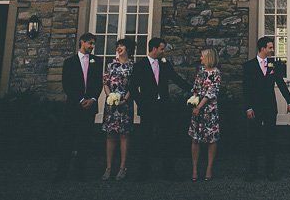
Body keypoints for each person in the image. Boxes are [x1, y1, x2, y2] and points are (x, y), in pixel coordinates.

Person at [130, 37, 192, 181]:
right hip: (148, 107)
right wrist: (141, 103)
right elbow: (133, 88)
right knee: (145, 139)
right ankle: (143, 173)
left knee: (167, 139)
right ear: (154, 49)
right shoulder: (140, 66)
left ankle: (169, 172)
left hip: (164, 106)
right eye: (162, 49)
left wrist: (193, 89)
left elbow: (176, 79)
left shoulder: (165, 64)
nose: (164, 52)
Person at [243, 35, 290, 181]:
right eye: (270, 48)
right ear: (263, 49)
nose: (273, 50)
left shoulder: (274, 65)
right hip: (254, 108)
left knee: (270, 139)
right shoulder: (249, 66)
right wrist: (248, 108)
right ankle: (252, 171)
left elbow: (281, 84)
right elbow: (246, 89)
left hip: (270, 107)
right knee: (253, 139)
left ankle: (270, 171)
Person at [54, 32, 103, 182]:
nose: (92, 47)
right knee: (67, 140)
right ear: (82, 42)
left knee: (85, 141)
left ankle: (79, 173)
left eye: (93, 44)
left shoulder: (97, 61)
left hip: (90, 107)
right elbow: (67, 85)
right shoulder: (69, 62)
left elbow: (98, 83)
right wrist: (81, 99)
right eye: (90, 43)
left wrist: (93, 98)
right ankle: (61, 174)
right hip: (74, 107)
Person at [101, 37, 135, 181]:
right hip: (111, 104)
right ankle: (108, 168)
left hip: (125, 104)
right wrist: (110, 97)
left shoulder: (133, 66)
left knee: (124, 135)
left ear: (128, 48)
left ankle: (123, 167)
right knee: (110, 134)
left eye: (122, 45)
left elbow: (133, 86)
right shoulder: (111, 65)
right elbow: (106, 83)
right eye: (118, 46)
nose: (119, 48)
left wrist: (125, 99)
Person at [189, 48, 222, 181]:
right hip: (197, 108)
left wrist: (200, 106)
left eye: (202, 56)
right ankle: (195, 169)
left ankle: (209, 168)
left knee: (211, 139)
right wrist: (194, 100)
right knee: (195, 138)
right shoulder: (200, 72)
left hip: (210, 110)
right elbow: (195, 88)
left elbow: (212, 91)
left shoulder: (216, 73)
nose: (200, 59)